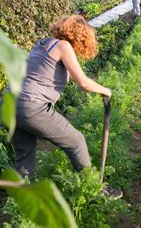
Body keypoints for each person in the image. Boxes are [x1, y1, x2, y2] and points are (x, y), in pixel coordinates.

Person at [12, 15, 122, 199]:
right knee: (76, 142)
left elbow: (65, 74)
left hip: (10, 105)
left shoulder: (43, 43)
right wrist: (105, 90)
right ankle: (94, 189)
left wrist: (95, 86)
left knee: (25, 157)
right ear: (81, 36)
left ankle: (20, 203)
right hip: (31, 107)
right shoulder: (63, 46)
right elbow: (83, 83)